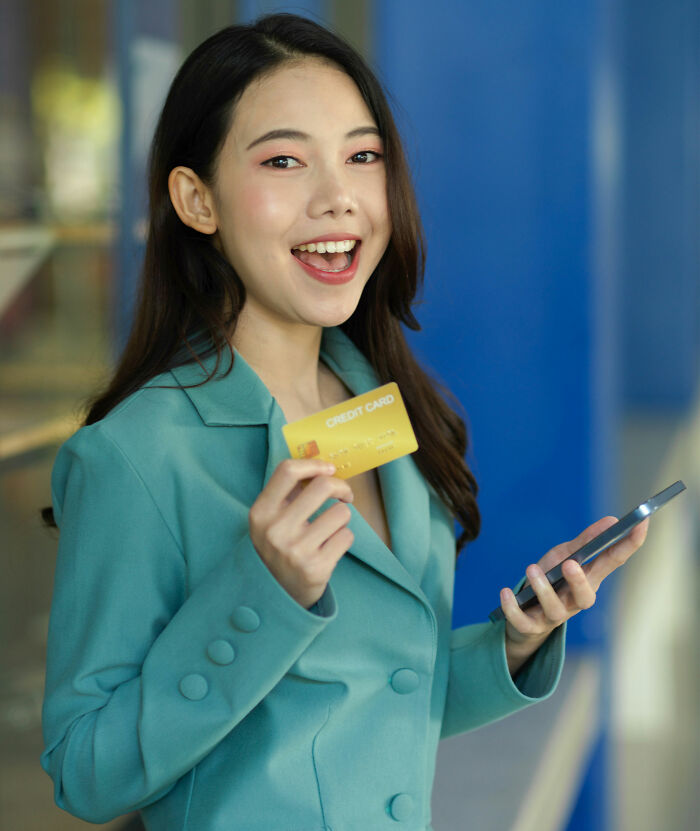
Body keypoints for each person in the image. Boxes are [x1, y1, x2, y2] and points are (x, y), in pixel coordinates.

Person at [40, 13, 648, 831]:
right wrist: (262, 594)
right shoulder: (136, 454)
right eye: (286, 161)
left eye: (363, 156)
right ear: (196, 199)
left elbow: (381, 689)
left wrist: (513, 641)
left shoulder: (370, 407)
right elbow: (86, 771)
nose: (339, 199)